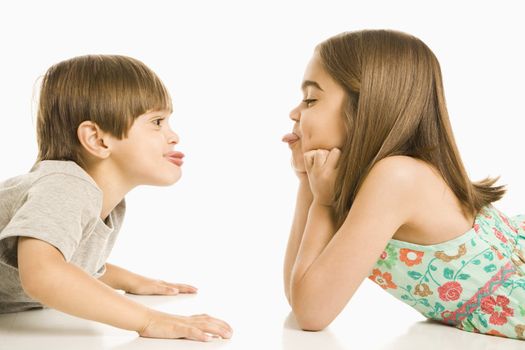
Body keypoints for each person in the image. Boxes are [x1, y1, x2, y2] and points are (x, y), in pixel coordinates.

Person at [282, 29, 525, 340]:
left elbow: (311, 312)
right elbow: (298, 291)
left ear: (365, 106)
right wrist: (308, 181)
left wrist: (323, 202)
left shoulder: (396, 177)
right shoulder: (379, 178)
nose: (294, 112)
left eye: (311, 99)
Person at [0, 55, 232, 342]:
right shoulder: (65, 187)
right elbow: (43, 272)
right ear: (98, 140)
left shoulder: (100, 200)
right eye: (157, 122)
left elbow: (68, 260)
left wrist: (132, 281)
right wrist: (148, 319)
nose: (174, 136)